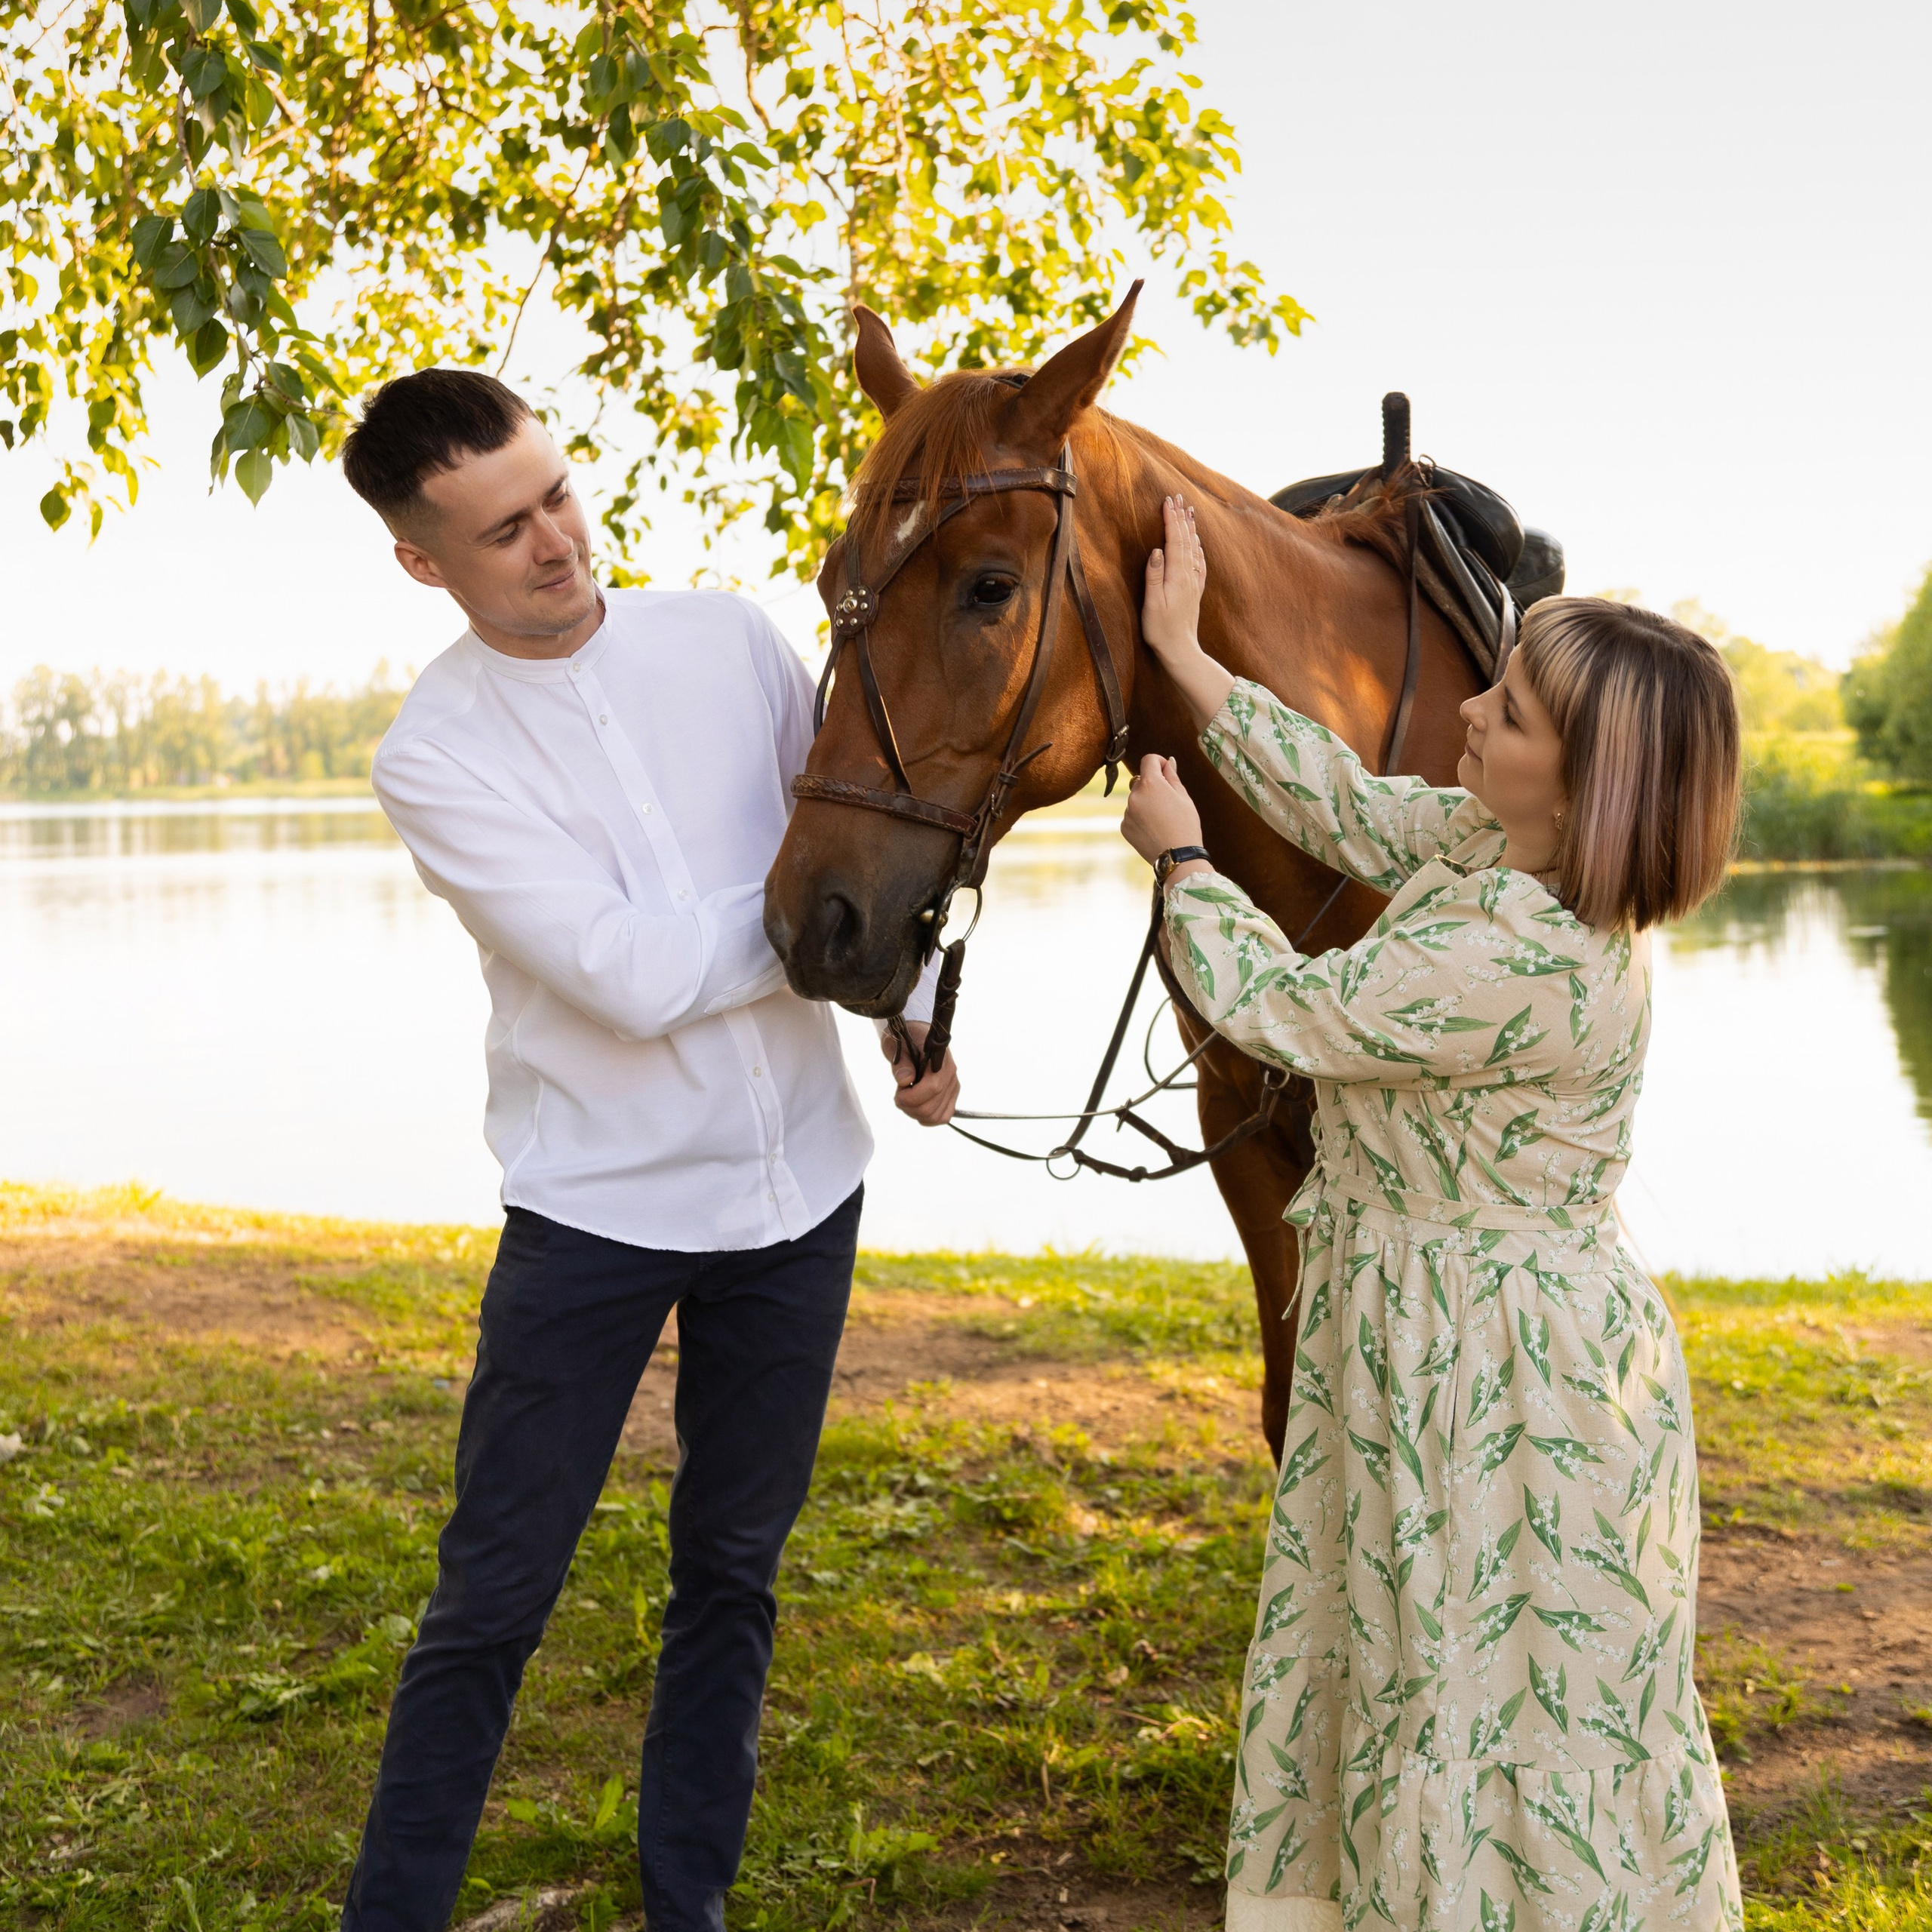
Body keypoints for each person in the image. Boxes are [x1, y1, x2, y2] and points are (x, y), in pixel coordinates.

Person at [334, 368, 958, 1932]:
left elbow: (858, 870)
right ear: (424, 561)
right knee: (492, 1600)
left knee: (731, 1575)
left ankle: (687, 1904)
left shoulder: (733, 639)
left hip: (800, 1192)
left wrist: (903, 1004)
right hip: (593, 1218)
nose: (554, 540)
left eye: (555, 492)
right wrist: (801, 920)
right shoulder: (434, 756)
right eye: (501, 530)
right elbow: (620, 976)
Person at [1120, 497, 1744, 1932]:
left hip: (1501, 1373)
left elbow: (1286, 1009)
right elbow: (1349, 803)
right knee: (1423, 1665)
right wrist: (1190, 660)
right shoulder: (1495, 853)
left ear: (1591, 783)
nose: (1470, 709)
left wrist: (1181, 861)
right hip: (1440, 1331)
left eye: (1510, 710)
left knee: (1494, 1687)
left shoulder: (1523, 954)